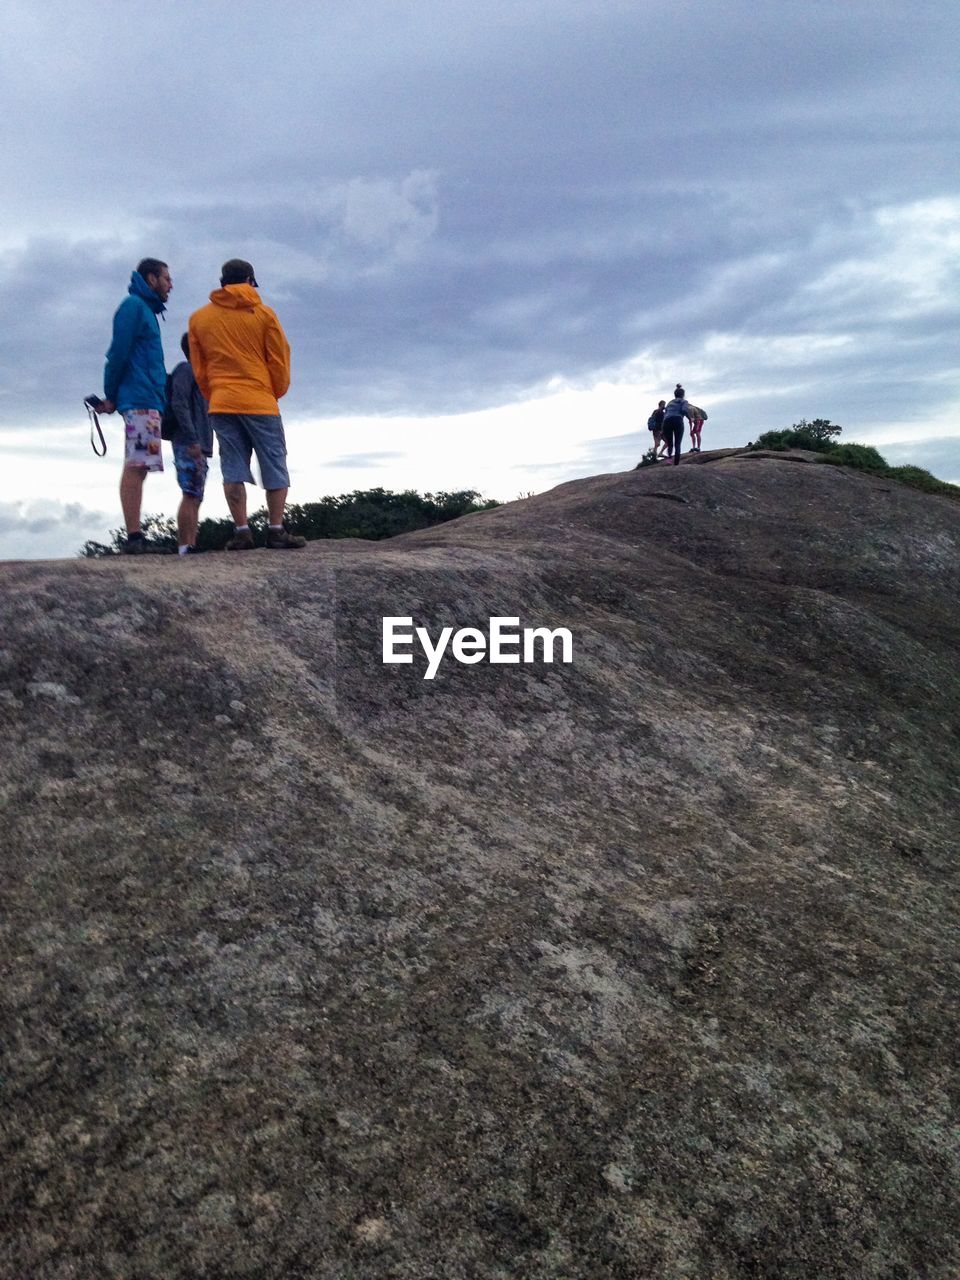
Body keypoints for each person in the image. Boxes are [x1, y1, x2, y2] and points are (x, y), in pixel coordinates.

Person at [188, 259, 305, 550]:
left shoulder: (199, 319)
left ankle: (242, 531)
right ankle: (276, 530)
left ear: (222, 282)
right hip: (260, 401)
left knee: (233, 466)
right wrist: (274, 392)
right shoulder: (265, 315)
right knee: (274, 462)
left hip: (222, 402)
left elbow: (199, 368)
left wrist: (213, 394)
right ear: (251, 280)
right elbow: (279, 358)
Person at [101, 258, 172, 553]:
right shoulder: (134, 307)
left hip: (147, 398)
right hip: (140, 397)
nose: (171, 285)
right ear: (151, 278)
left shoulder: (145, 310)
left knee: (140, 465)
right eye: (166, 278)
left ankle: (135, 536)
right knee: (137, 464)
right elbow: (117, 352)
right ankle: (134, 538)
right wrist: (111, 394)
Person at [168, 333, 213, 555]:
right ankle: (185, 546)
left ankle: (191, 543)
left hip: (198, 442)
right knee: (190, 492)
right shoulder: (186, 370)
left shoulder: (201, 375)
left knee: (196, 493)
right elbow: (179, 403)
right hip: (189, 442)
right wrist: (193, 438)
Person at [661, 385, 692, 465]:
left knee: (669, 443)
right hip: (678, 420)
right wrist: (690, 418)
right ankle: (676, 464)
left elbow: (666, 414)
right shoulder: (684, 401)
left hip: (667, 422)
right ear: (683, 394)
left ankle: (669, 459)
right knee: (677, 443)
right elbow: (684, 410)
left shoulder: (670, 403)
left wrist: (662, 429)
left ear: (675, 395)